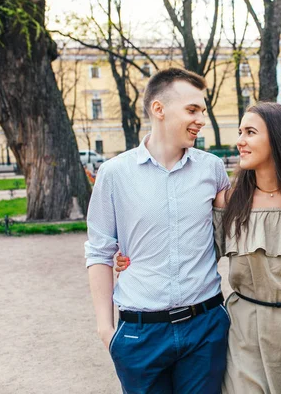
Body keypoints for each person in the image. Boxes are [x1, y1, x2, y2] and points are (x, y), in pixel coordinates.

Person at [118, 102, 281, 393]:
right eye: (240, 131)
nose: (239, 141)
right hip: (244, 332)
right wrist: (131, 258)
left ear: (278, 139)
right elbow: (194, 254)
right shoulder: (228, 202)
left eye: (250, 132)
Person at [84, 67, 231, 393]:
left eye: (202, 111)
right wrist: (106, 330)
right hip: (140, 335)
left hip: (205, 327)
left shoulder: (213, 169)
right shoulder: (114, 174)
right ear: (159, 109)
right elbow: (99, 251)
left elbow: (236, 234)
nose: (201, 119)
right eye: (192, 109)